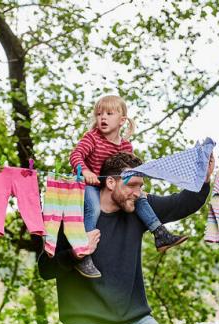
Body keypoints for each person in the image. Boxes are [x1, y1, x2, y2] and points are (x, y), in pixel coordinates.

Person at [31, 151, 214, 324]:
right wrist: (76, 253)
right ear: (111, 183)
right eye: (133, 185)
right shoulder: (75, 213)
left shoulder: (140, 208)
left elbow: (183, 203)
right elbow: (45, 269)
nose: (139, 193)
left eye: (141, 185)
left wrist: (203, 179)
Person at [68, 95, 187, 278]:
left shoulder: (125, 145)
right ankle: (85, 253)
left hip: (113, 185)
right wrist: (85, 172)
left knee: (140, 199)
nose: (103, 118)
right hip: (90, 184)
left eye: (109, 113)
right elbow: (75, 156)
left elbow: (129, 170)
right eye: (99, 114)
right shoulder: (92, 138)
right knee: (92, 208)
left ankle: (160, 233)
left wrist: (136, 188)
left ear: (122, 120)